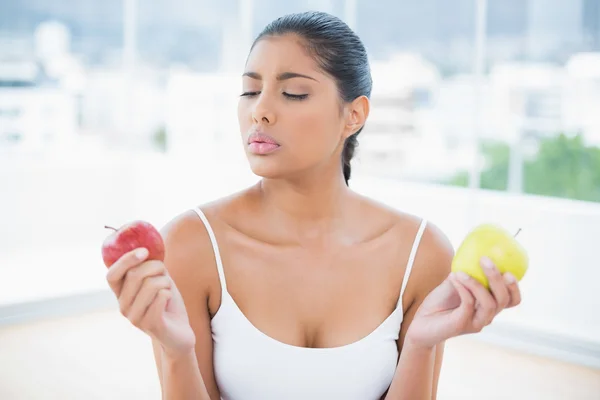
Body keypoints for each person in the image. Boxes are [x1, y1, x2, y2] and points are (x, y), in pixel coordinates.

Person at [105, 11, 522, 400]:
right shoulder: (192, 243)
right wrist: (175, 351)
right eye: (250, 90)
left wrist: (420, 344)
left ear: (353, 115)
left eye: (293, 93)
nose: (260, 111)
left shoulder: (421, 252)